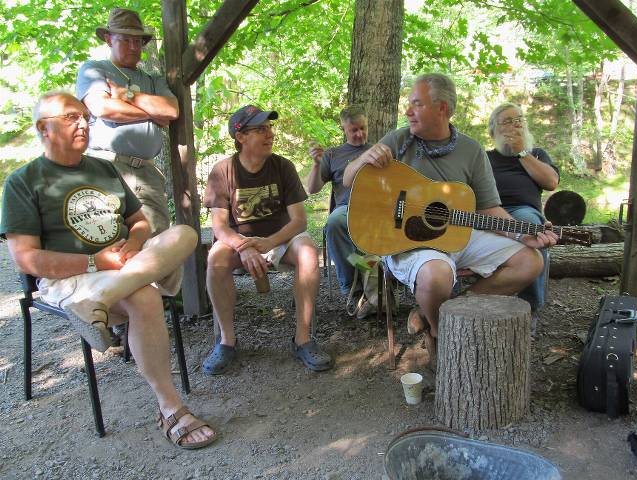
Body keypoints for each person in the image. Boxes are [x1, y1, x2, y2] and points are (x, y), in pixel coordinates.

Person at [1, 92, 216, 450]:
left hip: (124, 266)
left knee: (185, 233)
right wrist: (95, 261)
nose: (84, 123)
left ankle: (100, 300)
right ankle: (171, 408)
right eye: (71, 117)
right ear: (44, 128)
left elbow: (140, 223)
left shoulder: (102, 168)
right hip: (72, 278)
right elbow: (26, 259)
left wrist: (133, 245)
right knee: (144, 294)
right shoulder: (24, 181)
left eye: (85, 116)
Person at [343, 73, 558, 340]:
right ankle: (439, 334)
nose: (408, 111)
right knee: (437, 274)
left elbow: (489, 210)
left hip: (459, 234)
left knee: (530, 261)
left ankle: (452, 310)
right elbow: (348, 179)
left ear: (442, 108)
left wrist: (522, 233)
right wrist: (364, 157)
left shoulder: (472, 150)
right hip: (406, 242)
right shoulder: (397, 141)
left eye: (417, 104)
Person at [202, 105, 334, 374]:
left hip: (280, 238)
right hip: (240, 241)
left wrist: (269, 243)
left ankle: (303, 338)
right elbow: (219, 226)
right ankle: (227, 341)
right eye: (261, 129)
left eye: (270, 128)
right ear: (241, 137)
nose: (270, 134)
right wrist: (243, 246)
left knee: (308, 252)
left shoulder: (282, 166)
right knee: (215, 257)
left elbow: (299, 221)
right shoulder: (222, 171)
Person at [76, 8, 178, 237]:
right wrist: (152, 112)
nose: (134, 47)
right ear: (109, 39)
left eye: (138, 41)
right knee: (109, 237)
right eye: (126, 40)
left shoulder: (153, 80)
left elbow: (171, 110)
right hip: (107, 167)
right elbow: (103, 107)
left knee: (158, 241)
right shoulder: (94, 70)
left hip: (146, 172)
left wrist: (128, 96)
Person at [487, 102, 559, 313]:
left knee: (530, 225)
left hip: (522, 211)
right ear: (493, 130)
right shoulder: (484, 158)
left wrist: (521, 152)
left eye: (519, 120)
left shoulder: (536, 154)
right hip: (487, 212)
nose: (515, 126)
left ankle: (530, 307)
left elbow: (551, 182)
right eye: (508, 121)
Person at [307, 105, 373, 316]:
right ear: (344, 129)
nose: (359, 134)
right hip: (347, 209)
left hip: (377, 208)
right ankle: (353, 289)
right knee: (334, 222)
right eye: (353, 130)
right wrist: (316, 165)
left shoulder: (377, 150)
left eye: (363, 128)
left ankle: (371, 276)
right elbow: (312, 188)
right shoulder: (333, 154)